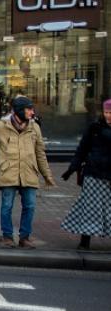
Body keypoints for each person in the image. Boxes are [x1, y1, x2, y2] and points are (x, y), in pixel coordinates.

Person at [0, 96, 55, 248]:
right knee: (7, 206)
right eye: (29, 109)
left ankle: (24, 238)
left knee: (30, 206)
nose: (32, 112)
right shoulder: (1, 127)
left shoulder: (34, 127)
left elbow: (40, 153)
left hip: (29, 173)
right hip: (8, 173)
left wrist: (47, 176)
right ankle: (7, 237)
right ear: (19, 110)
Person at [61, 98, 111, 250]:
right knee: (89, 207)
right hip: (93, 173)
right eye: (106, 112)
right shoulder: (94, 127)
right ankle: (84, 242)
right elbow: (82, 149)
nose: (108, 115)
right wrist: (72, 168)